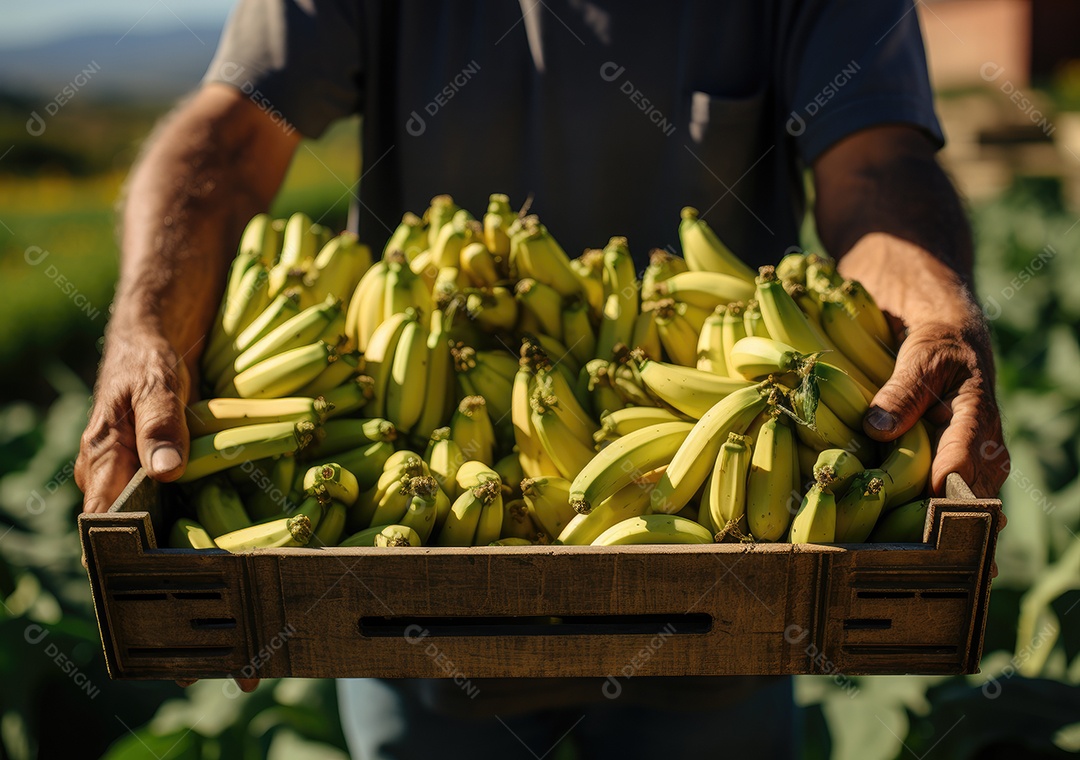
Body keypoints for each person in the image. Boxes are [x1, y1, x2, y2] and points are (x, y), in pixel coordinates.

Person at [75, 1, 1010, 757]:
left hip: (728, 600)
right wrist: (146, 328)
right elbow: (228, 140)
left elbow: (877, 164)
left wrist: (936, 307)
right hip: (406, 622)